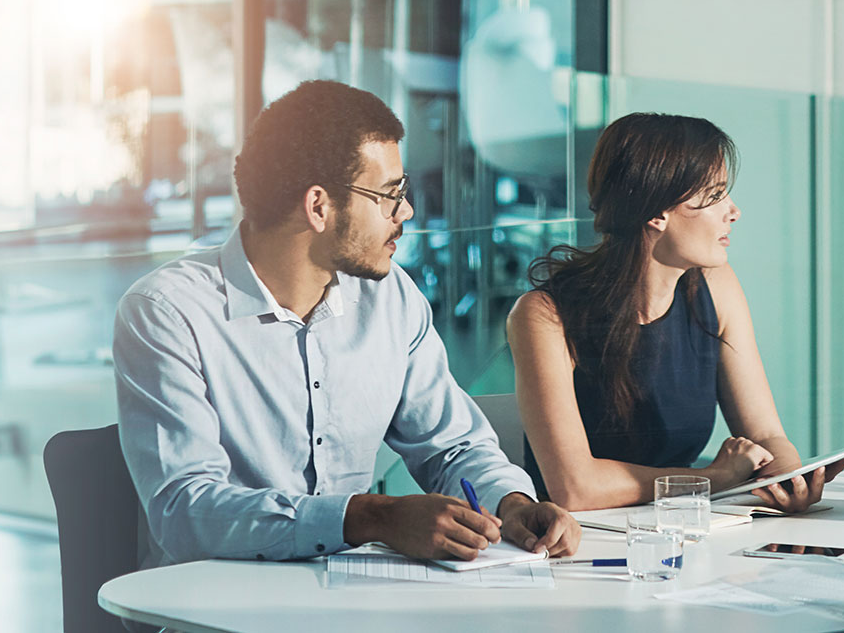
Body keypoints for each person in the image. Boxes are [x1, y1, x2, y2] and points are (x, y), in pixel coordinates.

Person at [114, 80, 579, 570]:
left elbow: (451, 446)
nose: (407, 212)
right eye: (390, 194)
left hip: (352, 597)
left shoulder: (390, 296)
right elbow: (185, 511)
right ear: (319, 206)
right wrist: (369, 517)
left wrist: (513, 505)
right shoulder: (166, 312)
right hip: (208, 609)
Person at [507, 112, 843, 512]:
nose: (733, 211)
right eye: (715, 195)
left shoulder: (716, 285)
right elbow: (575, 489)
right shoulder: (544, 316)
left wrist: (785, 480)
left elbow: (767, 434)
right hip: (580, 547)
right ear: (657, 213)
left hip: (684, 530)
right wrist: (715, 479)